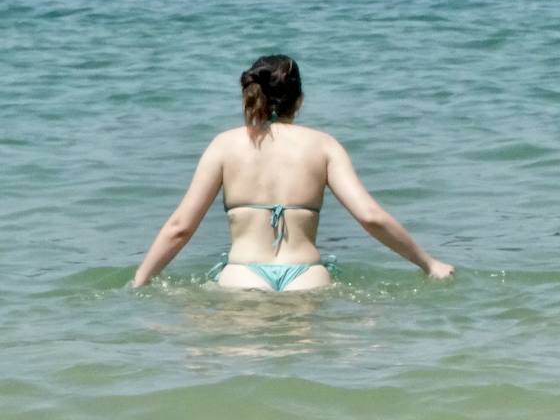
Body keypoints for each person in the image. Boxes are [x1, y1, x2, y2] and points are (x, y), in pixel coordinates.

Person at [132, 55, 454, 291]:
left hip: (242, 278)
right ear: (298, 99)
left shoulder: (224, 145)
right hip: (307, 279)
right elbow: (370, 216)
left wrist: (140, 280)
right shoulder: (324, 146)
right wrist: (429, 264)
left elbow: (180, 227)